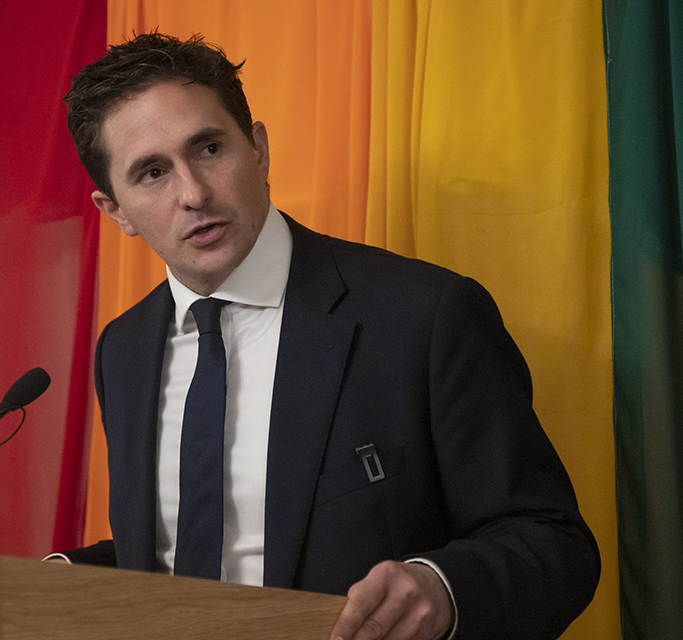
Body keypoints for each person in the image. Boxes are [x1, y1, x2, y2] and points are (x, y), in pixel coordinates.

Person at [56, 32, 600, 639]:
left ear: (258, 149)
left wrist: (443, 590)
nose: (194, 194)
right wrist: (61, 579)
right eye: (152, 172)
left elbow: (554, 544)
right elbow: (179, 550)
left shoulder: (425, 315)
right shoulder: (123, 350)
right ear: (116, 211)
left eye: (209, 148)